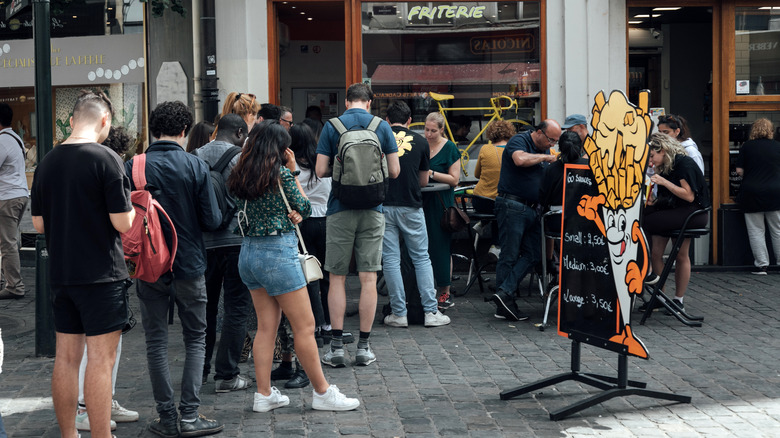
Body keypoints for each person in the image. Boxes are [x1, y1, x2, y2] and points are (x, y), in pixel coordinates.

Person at [228, 121, 361, 412]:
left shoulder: (240, 173)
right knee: (305, 326)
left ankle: (264, 394)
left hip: (249, 253)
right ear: (280, 148)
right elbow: (304, 206)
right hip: (277, 254)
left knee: (266, 328)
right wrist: (293, 171)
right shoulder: (280, 175)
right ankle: (322, 392)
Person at [31, 90, 134, 438]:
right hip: (102, 275)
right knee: (101, 360)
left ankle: (69, 434)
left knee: (66, 358)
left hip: (62, 273)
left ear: (73, 120)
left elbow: (39, 225)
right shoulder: (107, 159)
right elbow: (122, 222)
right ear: (105, 120)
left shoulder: (47, 162)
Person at [125, 101, 224, 438]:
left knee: (155, 341)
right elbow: (212, 219)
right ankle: (190, 416)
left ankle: (166, 417)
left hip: (148, 265)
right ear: (184, 130)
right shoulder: (195, 165)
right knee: (195, 337)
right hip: (189, 262)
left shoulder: (134, 166)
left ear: (154, 130)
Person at [315, 83, 400, 368]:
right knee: (368, 278)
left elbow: (320, 170)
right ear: (369, 102)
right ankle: (364, 347)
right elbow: (395, 171)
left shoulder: (332, 126)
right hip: (373, 209)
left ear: (347, 101)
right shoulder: (382, 127)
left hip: (340, 209)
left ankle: (337, 348)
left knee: (337, 278)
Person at [75, 126, 140, 433]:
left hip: (83, 265)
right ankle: (87, 407)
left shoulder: (75, 166)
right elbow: (123, 222)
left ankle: (100, 402)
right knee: (98, 348)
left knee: (93, 347)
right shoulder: (108, 169)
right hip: (101, 267)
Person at [190, 114, 254, 391]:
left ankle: (200, 371)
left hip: (203, 243)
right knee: (236, 308)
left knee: (205, 309)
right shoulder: (242, 159)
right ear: (239, 132)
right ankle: (227, 375)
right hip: (236, 240)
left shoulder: (194, 157)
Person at [269, 123, 330, 389]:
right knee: (319, 274)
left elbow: (300, 204)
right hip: (323, 221)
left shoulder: (289, 171)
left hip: (301, 225)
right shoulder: (321, 166)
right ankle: (324, 325)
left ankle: (309, 340)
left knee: (305, 280)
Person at [382, 101, 451, 328]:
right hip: (411, 205)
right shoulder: (421, 142)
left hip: (384, 205)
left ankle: (398, 313)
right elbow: (423, 181)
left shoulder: (379, 139)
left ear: (387, 120)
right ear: (410, 120)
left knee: (390, 260)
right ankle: (430, 312)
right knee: (421, 257)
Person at [491, 120, 559, 322]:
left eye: (555, 141)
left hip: (532, 209)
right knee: (509, 255)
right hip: (513, 205)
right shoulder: (519, 140)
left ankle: (505, 292)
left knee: (535, 253)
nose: (552, 145)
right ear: (538, 132)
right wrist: (546, 158)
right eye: (550, 140)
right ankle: (504, 304)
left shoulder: (543, 148)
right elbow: (519, 159)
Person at [641, 133, 710, 313]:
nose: (650, 161)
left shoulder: (683, 163)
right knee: (655, 247)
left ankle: (677, 298)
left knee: (680, 253)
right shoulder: (664, 165)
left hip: (693, 211)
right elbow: (668, 197)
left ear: (663, 150)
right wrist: (654, 201)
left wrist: (663, 182)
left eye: (652, 156)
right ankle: (659, 295)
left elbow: (688, 196)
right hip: (675, 209)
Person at [422, 112, 462, 311]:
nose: (429, 134)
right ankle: (424, 290)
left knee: (440, 247)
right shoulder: (422, 145)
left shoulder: (450, 147)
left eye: (433, 131)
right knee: (423, 247)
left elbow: (454, 179)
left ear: (441, 130)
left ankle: (444, 291)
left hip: (441, 203)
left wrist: (430, 173)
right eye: (426, 129)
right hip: (422, 201)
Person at [736, 118, 780, 275]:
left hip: (752, 192)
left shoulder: (747, 146)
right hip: (775, 192)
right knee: (778, 230)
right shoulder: (778, 146)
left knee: (756, 230)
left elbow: (739, 171)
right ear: (771, 130)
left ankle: (762, 266)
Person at [472, 120, 516, 260]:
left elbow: (477, 175)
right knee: (502, 208)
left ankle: (483, 223)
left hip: (479, 201)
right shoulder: (514, 151)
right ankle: (496, 246)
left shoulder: (485, 149)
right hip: (499, 203)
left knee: (497, 210)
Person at [0, 103, 30, 300]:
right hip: (19, 194)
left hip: (7, 197)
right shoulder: (15, 138)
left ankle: (14, 286)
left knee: (7, 243)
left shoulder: (2, 140)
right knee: (7, 241)